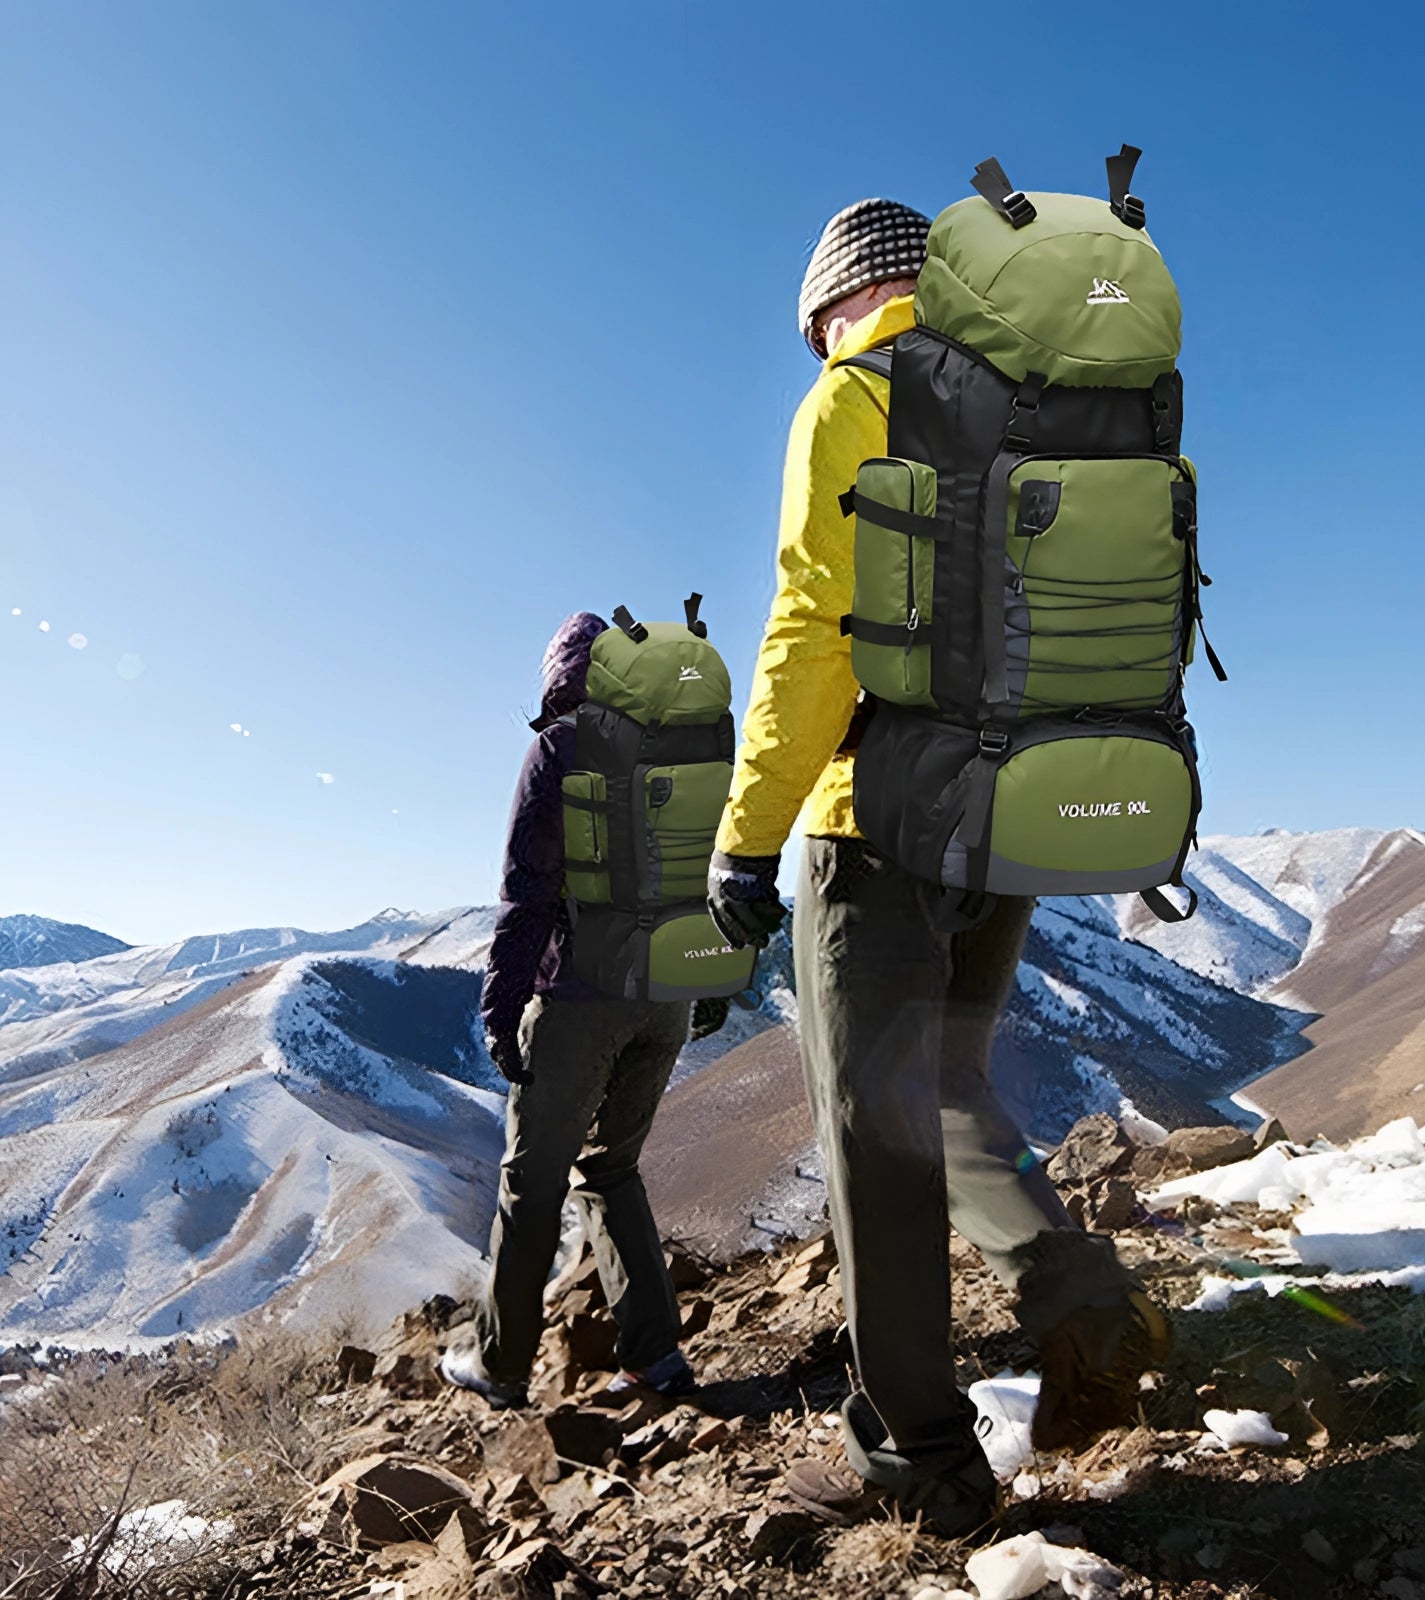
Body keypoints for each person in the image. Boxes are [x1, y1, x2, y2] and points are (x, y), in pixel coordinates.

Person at [707, 200, 1170, 1534]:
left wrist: (749, 838)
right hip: (1015, 817)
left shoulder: (854, 396)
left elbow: (814, 631)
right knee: (948, 1091)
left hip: (882, 822)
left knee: (874, 1145)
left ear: (834, 307)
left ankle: (920, 1462)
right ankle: (1079, 1297)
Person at [442, 611, 726, 1410]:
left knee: (530, 1185)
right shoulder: (686, 748)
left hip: (579, 1001)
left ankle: (500, 1365)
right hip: (666, 996)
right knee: (613, 1167)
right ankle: (655, 1357)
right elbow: (714, 874)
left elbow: (527, 893)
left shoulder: (560, 749)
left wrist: (501, 1008)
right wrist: (712, 983)